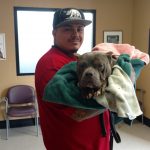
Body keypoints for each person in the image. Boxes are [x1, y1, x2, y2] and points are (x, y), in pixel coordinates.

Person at [35, 8, 111, 150]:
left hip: (94, 142)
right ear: (54, 33)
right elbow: (79, 113)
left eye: (80, 29)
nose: (75, 34)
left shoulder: (77, 60)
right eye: (67, 29)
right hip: (73, 145)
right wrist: (118, 95)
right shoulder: (51, 64)